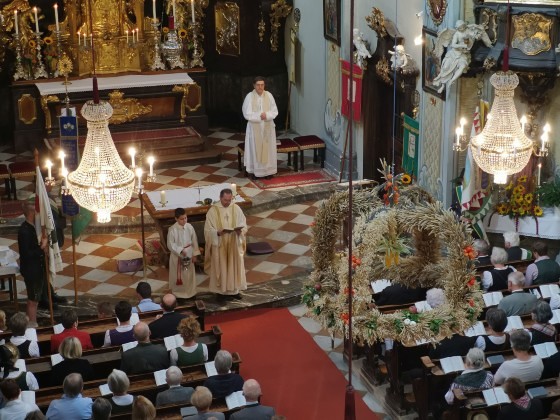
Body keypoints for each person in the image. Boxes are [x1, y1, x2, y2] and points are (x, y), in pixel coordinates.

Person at [204, 188, 247, 300]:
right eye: (225, 200)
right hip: (220, 244)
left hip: (233, 243)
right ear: (220, 198)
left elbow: (243, 224)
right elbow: (207, 230)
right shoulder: (213, 211)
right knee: (221, 267)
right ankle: (220, 292)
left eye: (229, 200)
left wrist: (240, 231)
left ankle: (235, 290)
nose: (227, 202)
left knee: (234, 267)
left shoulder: (236, 208)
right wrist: (217, 233)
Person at [242, 76, 278, 179]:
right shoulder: (249, 96)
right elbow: (246, 113)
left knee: (268, 150)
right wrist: (259, 116)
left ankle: (268, 172)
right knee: (255, 149)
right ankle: (255, 172)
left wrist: (267, 115)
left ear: (264, 85)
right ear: (254, 85)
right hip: (255, 128)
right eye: (258, 85)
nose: (260, 87)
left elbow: (275, 111)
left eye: (262, 85)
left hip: (267, 127)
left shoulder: (269, 95)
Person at [18, 203, 48, 327]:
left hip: (35, 268)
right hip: (32, 270)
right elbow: (27, 253)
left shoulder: (32, 228)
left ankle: (30, 323)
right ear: (31, 214)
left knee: (34, 298)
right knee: (33, 300)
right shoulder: (25, 231)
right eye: (36, 212)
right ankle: (32, 325)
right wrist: (41, 247)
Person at [167, 208, 200, 299]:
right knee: (178, 275)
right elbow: (170, 244)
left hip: (189, 253)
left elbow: (194, 240)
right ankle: (179, 294)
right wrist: (180, 250)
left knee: (189, 275)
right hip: (177, 256)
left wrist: (195, 254)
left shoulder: (190, 227)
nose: (184, 220)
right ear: (176, 219)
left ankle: (191, 292)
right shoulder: (172, 229)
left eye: (185, 218)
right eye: (181, 219)